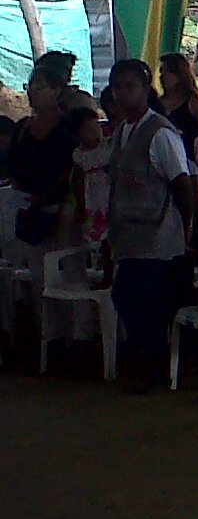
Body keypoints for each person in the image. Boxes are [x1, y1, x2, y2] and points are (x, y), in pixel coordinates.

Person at [102, 59, 198, 393]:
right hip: (129, 232)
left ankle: (155, 367)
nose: (122, 94)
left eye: (130, 86)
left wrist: (186, 226)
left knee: (142, 298)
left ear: (146, 90)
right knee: (130, 296)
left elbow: (182, 183)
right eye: (117, 87)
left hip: (158, 231)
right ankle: (147, 360)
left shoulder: (160, 133)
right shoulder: (121, 132)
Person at [13, 61, 89, 355]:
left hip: (63, 210)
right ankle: (50, 340)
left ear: (57, 91)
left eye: (40, 86)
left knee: (72, 274)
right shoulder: (23, 129)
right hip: (31, 210)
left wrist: (47, 199)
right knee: (40, 278)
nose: (32, 91)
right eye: (31, 85)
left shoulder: (69, 128)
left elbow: (73, 168)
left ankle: (80, 339)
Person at [67, 107, 110, 246]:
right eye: (89, 130)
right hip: (92, 198)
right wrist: (80, 205)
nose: (96, 132)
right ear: (77, 135)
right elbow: (78, 182)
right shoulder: (79, 156)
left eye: (97, 126)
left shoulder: (110, 146)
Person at [156, 53, 198, 158]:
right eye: (161, 72)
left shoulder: (193, 102)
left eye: (168, 72)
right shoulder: (158, 103)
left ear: (179, 75)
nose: (162, 76)